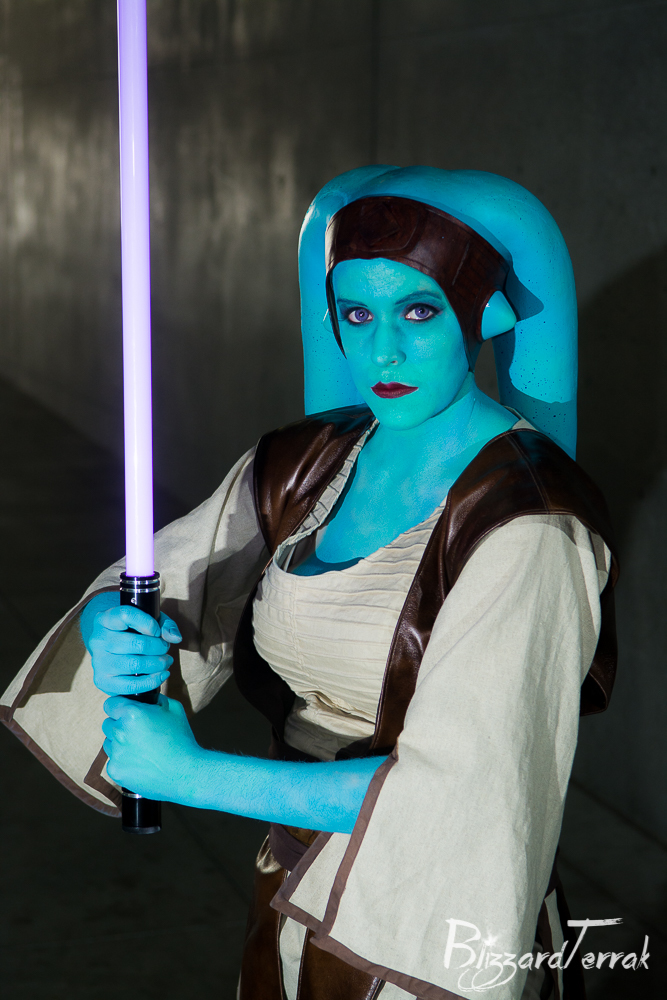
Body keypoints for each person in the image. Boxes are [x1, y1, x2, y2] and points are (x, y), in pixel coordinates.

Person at [0, 167, 618, 1000]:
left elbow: (467, 794)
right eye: (357, 314)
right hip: (290, 879)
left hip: (427, 923)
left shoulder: (528, 523)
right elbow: (168, 579)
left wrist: (194, 777)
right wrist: (113, 624)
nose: (382, 350)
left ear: (482, 316)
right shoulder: (309, 462)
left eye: (418, 312)